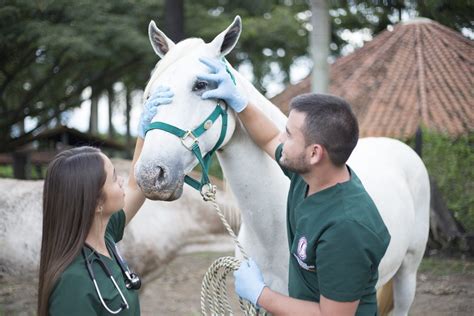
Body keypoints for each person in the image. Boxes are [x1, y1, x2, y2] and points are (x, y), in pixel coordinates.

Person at [198, 57, 391, 316]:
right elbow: (267, 137)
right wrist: (241, 103)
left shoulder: (347, 227)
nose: (281, 137)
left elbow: (331, 315)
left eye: (288, 134)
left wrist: (261, 295)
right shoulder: (310, 176)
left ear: (314, 153)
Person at [37, 87, 174, 316]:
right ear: (96, 203)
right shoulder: (73, 286)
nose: (121, 180)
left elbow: (135, 185)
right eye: (113, 177)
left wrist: (144, 132)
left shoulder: (104, 235)